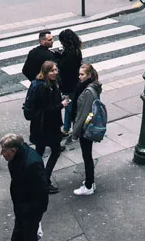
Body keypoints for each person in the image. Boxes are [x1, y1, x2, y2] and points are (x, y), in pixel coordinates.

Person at [0, 133, 49, 241]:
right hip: (22, 207)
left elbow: (42, 191)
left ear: (13, 150)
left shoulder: (31, 164)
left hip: (29, 210)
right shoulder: (18, 158)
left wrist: (34, 213)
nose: (2, 154)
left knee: (28, 236)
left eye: (4, 151)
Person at [28, 61, 63, 194]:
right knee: (55, 150)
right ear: (45, 72)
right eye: (52, 71)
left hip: (40, 126)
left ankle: (36, 179)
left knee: (39, 153)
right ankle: (44, 181)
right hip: (47, 126)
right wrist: (62, 104)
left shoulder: (42, 83)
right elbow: (47, 109)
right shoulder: (44, 87)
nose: (55, 72)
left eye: (55, 69)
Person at [71, 62, 102, 196]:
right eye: (79, 74)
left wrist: (75, 132)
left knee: (87, 156)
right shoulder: (91, 86)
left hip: (85, 128)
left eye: (82, 74)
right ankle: (90, 182)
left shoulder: (88, 91)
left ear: (89, 75)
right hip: (88, 126)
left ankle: (89, 185)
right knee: (87, 155)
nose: (79, 77)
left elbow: (83, 113)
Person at [56, 29, 82, 136]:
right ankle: (67, 128)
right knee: (69, 106)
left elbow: (65, 67)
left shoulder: (69, 53)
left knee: (69, 107)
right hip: (74, 82)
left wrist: (58, 59)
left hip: (68, 84)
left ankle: (72, 128)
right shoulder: (76, 50)